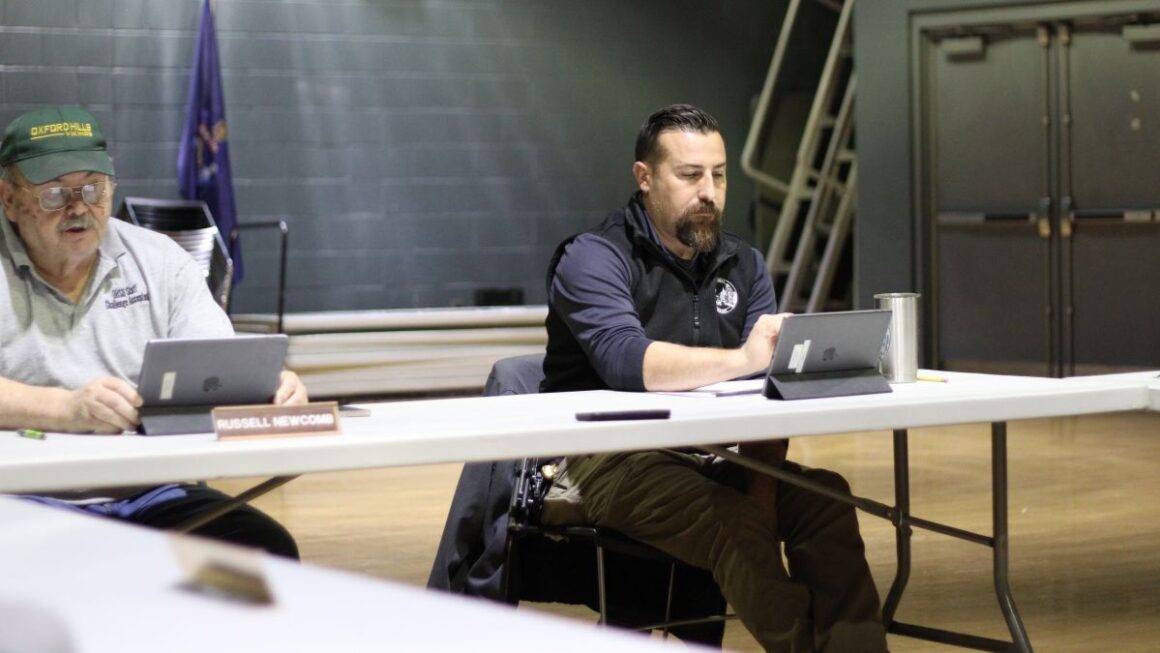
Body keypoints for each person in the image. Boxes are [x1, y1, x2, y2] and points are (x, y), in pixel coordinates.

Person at [541, 104, 888, 653]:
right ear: (645, 177)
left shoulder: (743, 265)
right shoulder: (595, 256)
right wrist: (744, 358)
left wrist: (764, 487)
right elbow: (626, 361)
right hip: (605, 459)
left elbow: (770, 394)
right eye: (689, 175)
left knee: (826, 500)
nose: (709, 191)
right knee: (733, 523)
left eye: (719, 175)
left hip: (714, 456)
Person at [0, 106, 305, 558]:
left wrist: (265, 388)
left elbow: (214, 359)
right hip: (25, 495)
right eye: (55, 195)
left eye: (93, 189)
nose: (79, 208)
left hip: (152, 494)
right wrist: (65, 407)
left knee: (262, 551)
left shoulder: (158, 260)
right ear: (8, 199)